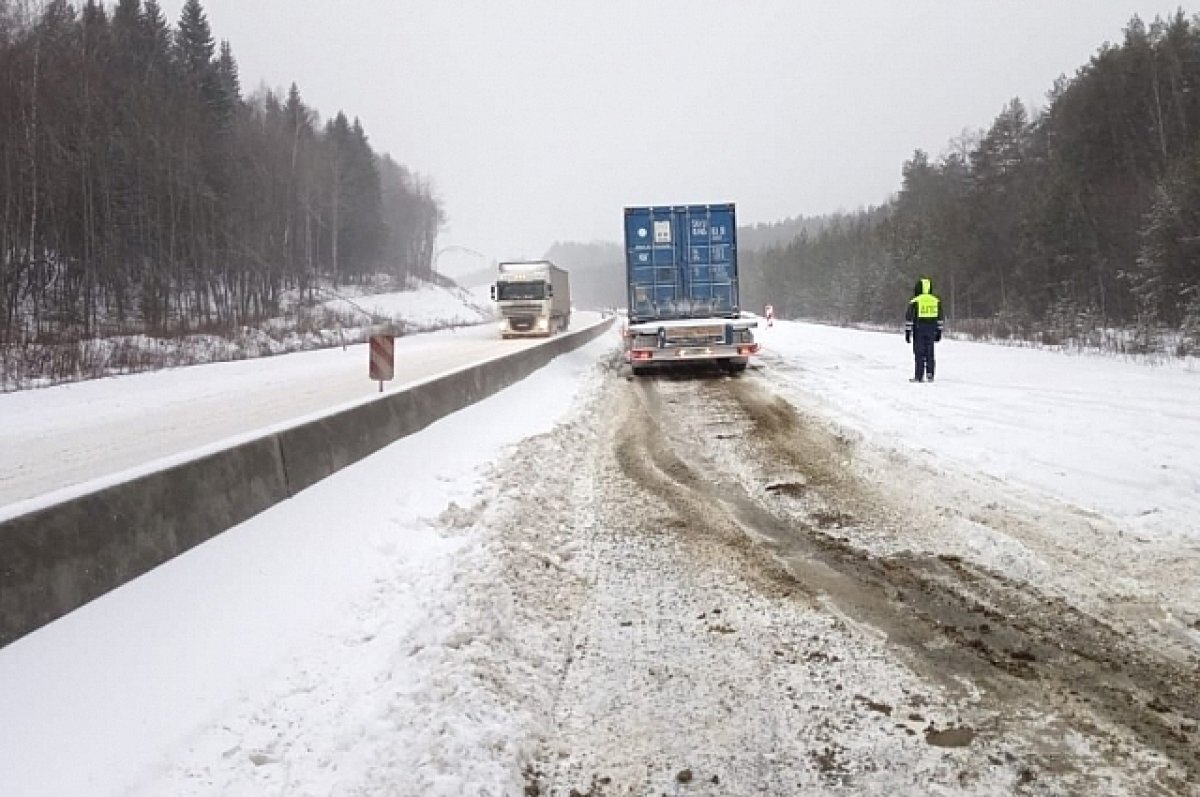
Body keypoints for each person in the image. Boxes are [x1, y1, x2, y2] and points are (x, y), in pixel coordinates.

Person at [905, 277, 943, 382]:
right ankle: (930, 374)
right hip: (932, 329)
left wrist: (908, 332)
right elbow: (940, 317)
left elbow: (909, 318)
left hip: (919, 329)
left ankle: (919, 376)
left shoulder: (915, 301)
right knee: (930, 352)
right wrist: (939, 331)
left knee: (919, 352)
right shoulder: (936, 301)